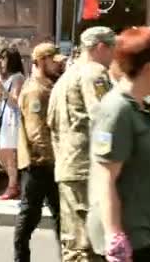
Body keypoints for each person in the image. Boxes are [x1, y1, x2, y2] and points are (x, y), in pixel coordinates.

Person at [87, 26, 150, 262]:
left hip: (143, 236)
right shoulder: (117, 109)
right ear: (149, 67)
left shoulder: (140, 108)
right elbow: (106, 177)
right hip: (127, 242)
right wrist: (114, 237)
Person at [47, 26, 115, 262]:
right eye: (112, 49)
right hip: (89, 170)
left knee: (75, 244)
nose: (113, 56)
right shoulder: (95, 73)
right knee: (94, 245)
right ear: (100, 48)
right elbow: (106, 119)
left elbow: (52, 125)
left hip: (68, 167)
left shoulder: (64, 79)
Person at [14, 43, 62, 262]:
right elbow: (36, 133)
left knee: (63, 218)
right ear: (42, 61)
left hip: (51, 163)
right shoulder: (35, 90)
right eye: (54, 61)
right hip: (39, 165)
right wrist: (54, 159)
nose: (58, 64)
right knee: (29, 218)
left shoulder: (49, 86)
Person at [0, 47, 25, 200]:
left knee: (8, 154)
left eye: (4, 59)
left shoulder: (18, 78)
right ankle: (14, 183)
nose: (2, 62)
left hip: (13, 119)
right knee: (3, 154)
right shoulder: (10, 77)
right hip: (7, 118)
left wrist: (2, 89)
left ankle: (13, 185)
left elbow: (15, 101)